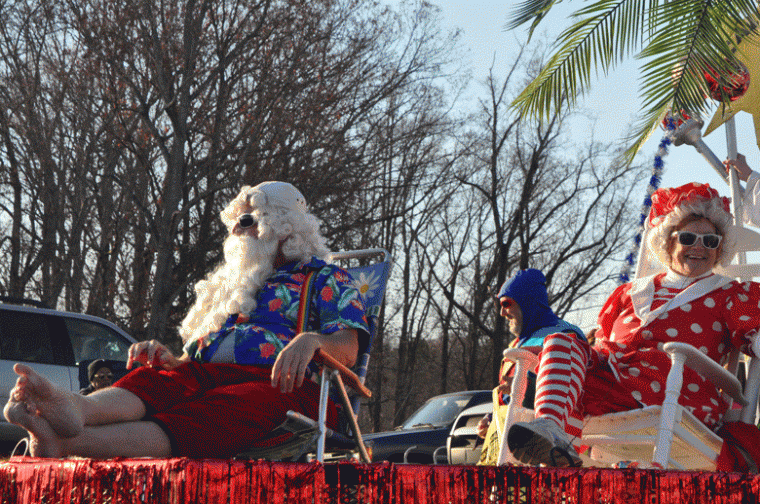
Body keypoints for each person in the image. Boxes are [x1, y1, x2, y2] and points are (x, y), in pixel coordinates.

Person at [3, 181, 370, 459]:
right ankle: (74, 408)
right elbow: (200, 359)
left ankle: (71, 442)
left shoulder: (323, 279)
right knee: (160, 379)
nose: (237, 234)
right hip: (209, 376)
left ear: (284, 227)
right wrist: (174, 359)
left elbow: (349, 349)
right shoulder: (239, 283)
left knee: (220, 409)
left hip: (283, 388)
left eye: (245, 222)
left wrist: (313, 340)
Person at [506, 182, 760, 468]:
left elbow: (755, 337)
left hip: (676, 388)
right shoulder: (630, 291)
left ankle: (565, 450)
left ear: (719, 248)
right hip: (614, 379)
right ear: (667, 241)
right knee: (561, 341)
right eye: (688, 238)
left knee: (580, 377)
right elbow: (600, 342)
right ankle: (551, 431)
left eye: (710, 241)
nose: (699, 247)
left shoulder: (728, 293)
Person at [476, 269, 585, 465]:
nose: (502, 312)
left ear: (528, 301)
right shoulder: (516, 345)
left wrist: (528, 386)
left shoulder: (565, 335)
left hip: (547, 444)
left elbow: (570, 380)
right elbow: (509, 395)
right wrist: (490, 418)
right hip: (511, 444)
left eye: (506, 303)